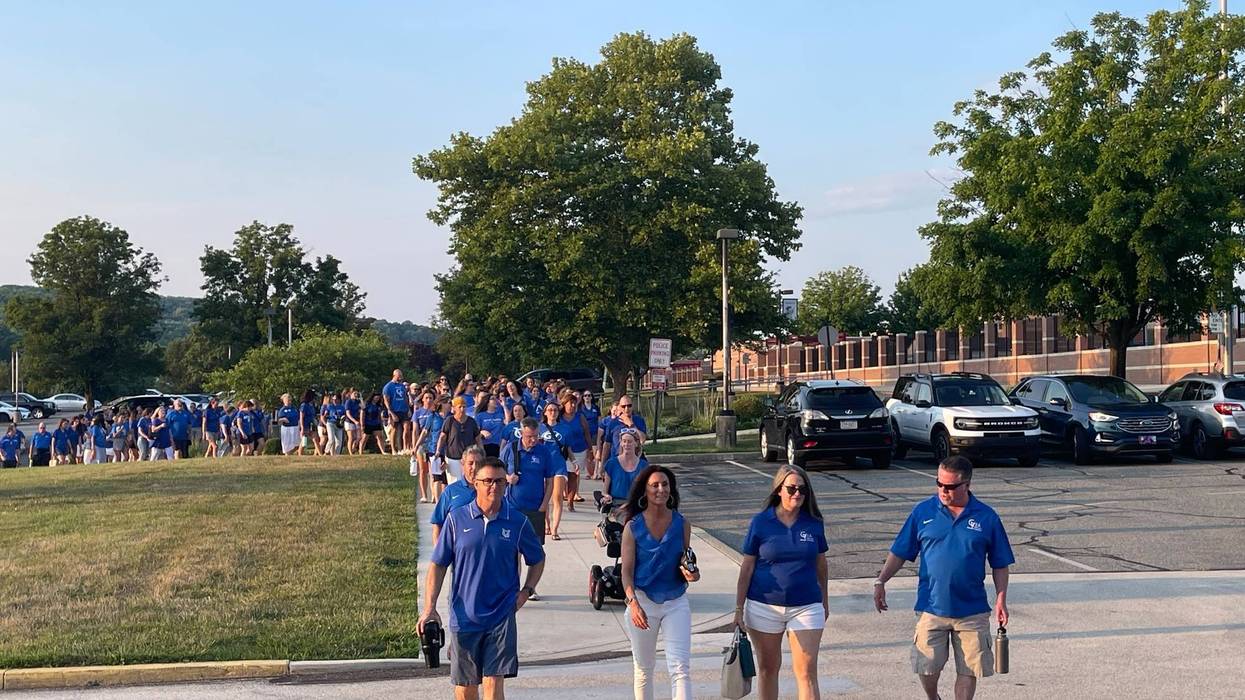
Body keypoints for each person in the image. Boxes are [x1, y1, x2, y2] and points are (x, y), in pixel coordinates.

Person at [873, 456, 1013, 700]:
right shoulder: (923, 512)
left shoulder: (986, 517)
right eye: (939, 484)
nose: (943, 491)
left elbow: (1000, 564)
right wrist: (881, 581)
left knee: (969, 669)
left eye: (949, 487)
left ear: (966, 484)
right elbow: (900, 552)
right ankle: (933, 696)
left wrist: (1002, 598)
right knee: (926, 667)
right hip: (931, 606)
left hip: (972, 610)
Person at [418, 457, 546, 700]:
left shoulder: (517, 521)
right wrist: (429, 608)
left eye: (499, 481)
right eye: (487, 481)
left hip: (501, 615)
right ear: (475, 483)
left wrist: (527, 591)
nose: (493, 487)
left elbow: (537, 558)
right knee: (466, 688)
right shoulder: (456, 520)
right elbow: (438, 565)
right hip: (464, 615)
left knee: (493, 684)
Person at [733, 465, 829, 700]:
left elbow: (821, 565)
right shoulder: (760, 523)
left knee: (807, 672)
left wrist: (824, 600)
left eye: (802, 489)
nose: (797, 494)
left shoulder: (813, 523)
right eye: (792, 488)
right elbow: (747, 567)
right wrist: (738, 608)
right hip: (764, 605)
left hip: (806, 605)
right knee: (768, 669)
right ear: (778, 490)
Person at [620, 464, 698, 700]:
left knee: (680, 668)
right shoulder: (632, 527)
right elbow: (626, 571)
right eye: (655, 485)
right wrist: (633, 603)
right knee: (644, 669)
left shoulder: (682, 524)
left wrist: (692, 573)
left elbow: (688, 560)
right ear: (645, 491)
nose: (661, 489)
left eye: (665, 485)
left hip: (675, 601)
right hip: (643, 601)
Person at [500, 418, 556, 597]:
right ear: (522, 433)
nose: (533, 440)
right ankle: (513, 587)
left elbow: (550, 480)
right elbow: (499, 472)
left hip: (535, 509)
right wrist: (508, 478)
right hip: (513, 507)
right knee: (512, 550)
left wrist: (544, 505)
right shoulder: (511, 449)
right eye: (529, 436)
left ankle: (530, 587)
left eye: (536, 436)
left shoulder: (543, 452)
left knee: (533, 550)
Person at [429, 445, 483, 543]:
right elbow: (437, 523)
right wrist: (438, 553)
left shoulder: (489, 490)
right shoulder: (450, 491)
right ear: (462, 464)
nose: (474, 467)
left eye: (478, 463)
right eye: (470, 463)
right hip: (456, 552)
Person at [554, 392, 594, 507]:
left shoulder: (580, 417)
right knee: (562, 476)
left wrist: (590, 450)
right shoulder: (559, 417)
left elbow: (587, 433)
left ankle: (570, 501)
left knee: (573, 476)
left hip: (579, 450)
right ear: (564, 404)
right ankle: (561, 497)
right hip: (563, 451)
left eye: (574, 403)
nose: (572, 405)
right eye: (570, 403)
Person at [538, 402, 571, 537]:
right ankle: (546, 524)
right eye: (550, 410)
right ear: (545, 413)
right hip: (543, 466)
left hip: (559, 465)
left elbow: (567, 448)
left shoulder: (565, 428)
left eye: (555, 410)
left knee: (557, 497)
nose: (552, 412)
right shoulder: (539, 428)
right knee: (544, 497)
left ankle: (555, 529)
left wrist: (573, 461)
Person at [436, 396, 483, 484]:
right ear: (454, 408)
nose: (462, 409)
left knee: (469, 480)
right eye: (459, 407)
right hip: (452, 458)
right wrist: (438, 451)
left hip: (468, 457)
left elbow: (478, 439)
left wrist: (482, 452)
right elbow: (442, 437)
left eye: (464, 406)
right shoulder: (449, 421)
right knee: (454, 482)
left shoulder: (471, 421)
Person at [602, 430, 648, 509]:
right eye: (624, 441)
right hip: (616, 504)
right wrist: (606, 496)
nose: (626, 444)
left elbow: (647, 490)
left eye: (629, 442)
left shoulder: (644, 466)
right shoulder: (611, 463)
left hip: (636, 504)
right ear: (621, 443)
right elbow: (605, 491)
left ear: (636, 443)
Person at [382, 369, 411, 453]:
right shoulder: (388, 386)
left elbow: (405, 398)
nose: (400, 378)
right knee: (394, 430)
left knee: (407, 428)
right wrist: (391, 412)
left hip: (404, 410)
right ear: (394, 375)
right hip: (394, 410)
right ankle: (393, 449)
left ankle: (405, 448)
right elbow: (386, 400)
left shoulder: (402, 386)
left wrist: (408, 409)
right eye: (399, 376)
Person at [475, 395, 506, 459]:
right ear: (487, 402)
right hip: (486, 445)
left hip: (499, 446)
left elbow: (507, 422)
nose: (496, 400)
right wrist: (482, 432)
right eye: (493, 399)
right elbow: (475, 432)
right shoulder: (480, 416)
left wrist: (504, 406)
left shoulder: (500, 414)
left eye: (496, 399)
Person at [580, 390, 602, 478]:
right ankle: (588, 472)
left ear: (591, 397)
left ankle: (597, 471)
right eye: (585, 396)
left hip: (595, 432)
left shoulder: (595, 407)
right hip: (585, 432)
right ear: (583, 398)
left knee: (595, 452)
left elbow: (599, 419)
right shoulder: (581, 409)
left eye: (589, 395)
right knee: (587, 453)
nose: (587, 397)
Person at [298, 390, 318, 456]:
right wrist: (302, 427)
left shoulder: (311, 405)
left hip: (311, 425)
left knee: (315, 439)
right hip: (305, 425)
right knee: (304, 442)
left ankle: (320, 454)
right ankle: (300, 454)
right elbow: (301, 417)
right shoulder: (304, 405)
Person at [343, 390, 363, 455]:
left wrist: (361, 398)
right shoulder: (348, 402)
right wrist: (354, 421)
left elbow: (363, 407)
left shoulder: (357, 401)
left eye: (357, 394)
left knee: (359, 437)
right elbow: (348, 413)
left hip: (356, 421)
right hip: (349, 421)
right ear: (351, 394)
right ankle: (350, 452)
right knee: (351, 437)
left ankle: (353, 447)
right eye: (354, 393)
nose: (356, 395)